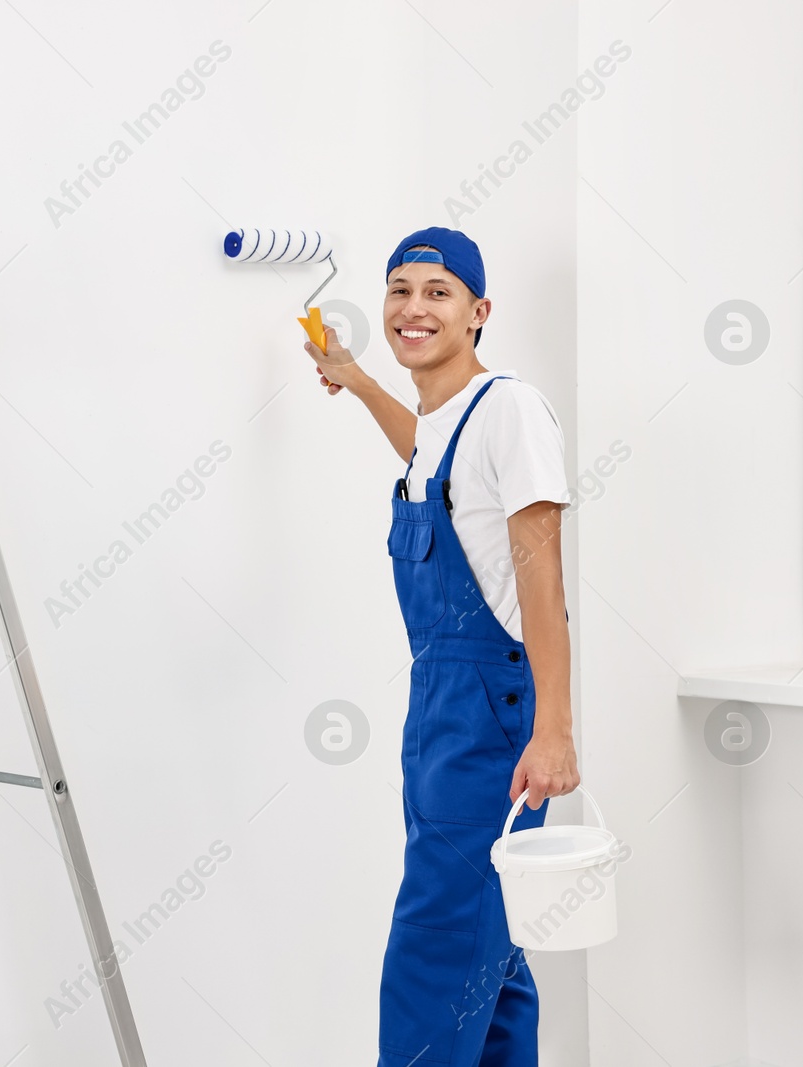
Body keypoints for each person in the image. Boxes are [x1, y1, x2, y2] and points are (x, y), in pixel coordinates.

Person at [305, 227, 580, 1067]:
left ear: (478, 311)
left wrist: (555, 728)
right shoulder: (441, 419)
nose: (413, 308)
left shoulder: (510, 410)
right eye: (399, 290)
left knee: (435, 945)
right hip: (438, 716)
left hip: (492, 719)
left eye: (438, 291)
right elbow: (427, 458)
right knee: (489, 953)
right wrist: (354, 379)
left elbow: (543, 583)